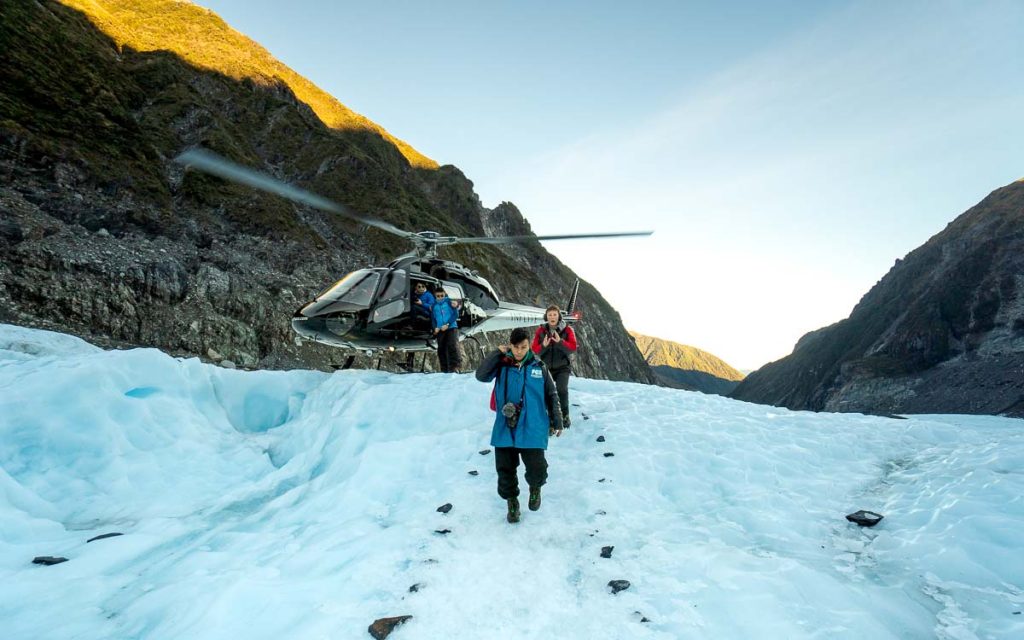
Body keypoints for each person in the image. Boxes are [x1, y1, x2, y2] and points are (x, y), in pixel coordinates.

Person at [476, 327, 564, 523]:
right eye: (515, 347)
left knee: (536, 468)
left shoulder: (539, 367)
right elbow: (481, 376)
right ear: (510, 345)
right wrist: (496, 353)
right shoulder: (502, 364)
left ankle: (535, 489)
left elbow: (552, 393)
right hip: (505, 425)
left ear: (528, 345)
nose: (519, 351)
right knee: (505, 469)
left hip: (533, 425)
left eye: (523, 347)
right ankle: (512, 501)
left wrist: (557, 420)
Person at [532, 306, 577, 428]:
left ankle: (565, 416)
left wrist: (560, 342)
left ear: (559, 317)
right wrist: (544, 345)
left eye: (554, 315)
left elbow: (572, 348)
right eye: (550, 315)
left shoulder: (567, 330)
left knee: (562, 389)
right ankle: (551, 417)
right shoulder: (540, 331)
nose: (552, 317)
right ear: (546, 317)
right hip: (546, 368)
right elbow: (534, 350)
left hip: (563, 367)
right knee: (547, 392)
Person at [431, 287, 462, 373]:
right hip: (440, 329)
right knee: (441, 348)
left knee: (452, 346)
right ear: (435, 296)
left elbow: (456, 314)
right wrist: (435, 327)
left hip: (451, 327)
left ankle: (455, 367)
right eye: (438, 296)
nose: (440, 297)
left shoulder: (449, 302)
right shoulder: (434, 305)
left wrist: (448, 324)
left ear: (444, 294)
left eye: (442, 295)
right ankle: (444, 368)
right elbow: (433, 318)